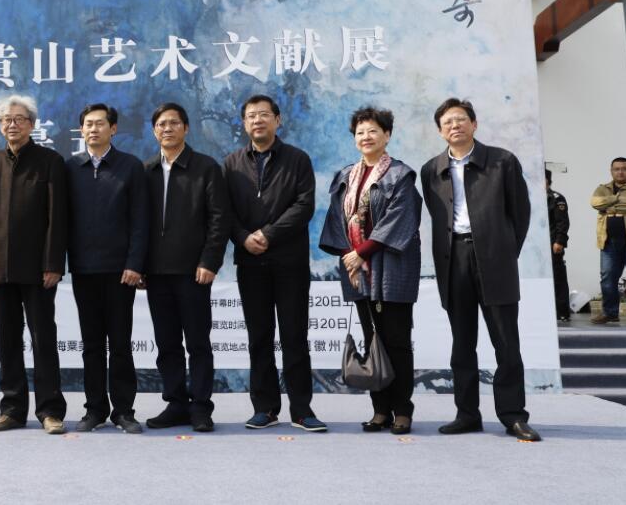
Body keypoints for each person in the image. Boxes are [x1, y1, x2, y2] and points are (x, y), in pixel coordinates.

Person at [419, 98, 540, 441]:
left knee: (506, 342)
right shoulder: (431, 169)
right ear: (440, 131)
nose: (454, 126)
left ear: (474, 124)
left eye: (460, 119)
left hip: (495, 257)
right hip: (453, 259)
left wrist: (504, 251)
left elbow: (520, 212)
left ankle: (513, 415)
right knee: (462, 342)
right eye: (447, 122)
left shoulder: (502, 161)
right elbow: (437, 215)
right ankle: (467, 414)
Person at [318, 107, 422, 435]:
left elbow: (400, 219)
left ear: (387, 135)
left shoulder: (400, 175)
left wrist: (361, 252)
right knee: (371, 339)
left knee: (396, 341)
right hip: (358, 271)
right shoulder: (345, 176)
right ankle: (380, 410)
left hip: (391, 269)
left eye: (373, 131)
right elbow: (337, 221)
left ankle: (402, 410)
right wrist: (350, 257)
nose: (366, 137)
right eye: (360, 132)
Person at [223, 95, 324, 433]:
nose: (258, 120)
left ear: (277, 120)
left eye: (264, 114)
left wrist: (268, 234)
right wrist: (242, 237)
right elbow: (224, 211)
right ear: (244, 123)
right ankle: (264, 408)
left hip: (289, 262)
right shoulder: (232, 163)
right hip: (250, 262)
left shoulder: (297, 159)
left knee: (295, 336)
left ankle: (302, 410)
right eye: (251, 115)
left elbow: (304, 205)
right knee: (259, 337)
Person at [0, 94, 69, 434]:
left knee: (43, 338)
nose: (12, 125)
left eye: (19, 119)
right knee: (7, 339)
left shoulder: (50, 161)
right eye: (6, 120)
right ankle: (13, 410)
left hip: (38, 270)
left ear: (32, 124)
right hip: (0, 268)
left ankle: (50, 410)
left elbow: (57, 217)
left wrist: (53, 263)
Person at [143, 102, 228, 433]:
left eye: (174, 123)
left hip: (194, 272)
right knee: (167, 344)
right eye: (161, 124)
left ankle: (201, 407)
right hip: (156, 273)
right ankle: (176, 404)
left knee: (198, 343)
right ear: (154, 131)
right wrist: (139, 266)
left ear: (186, 128)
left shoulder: (205, 168)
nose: (167, 129)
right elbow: (138, 222)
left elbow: (219, 219)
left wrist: (209, 261)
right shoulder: (147, 170)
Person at [65, 103, 148, 434]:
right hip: (84, 270)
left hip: (120, 272)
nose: (93, 129)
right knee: (92, 345)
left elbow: (140, 220)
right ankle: (95, 409)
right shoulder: (71, 167)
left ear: (113, 129)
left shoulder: (130, 167)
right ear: (81, 130)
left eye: (100, 124)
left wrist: (135, 263)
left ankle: (124, 410)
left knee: (121, 344)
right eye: (88, 124)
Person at [590, 157, 626, 325]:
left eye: (624, 168)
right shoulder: (602, 188)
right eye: (617, 169)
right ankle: (610, 313)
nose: (620, 172)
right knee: (607, 278)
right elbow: (595, 202)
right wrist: (614, 199)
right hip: (608, 242)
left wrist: (608, 205)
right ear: (611, 171)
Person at [546, 170, 571, 322]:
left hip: (552, 243)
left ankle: (562, 312)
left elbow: (562, 222)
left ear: (548, 181)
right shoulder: (529, 196)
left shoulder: (556, 198)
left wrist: (560, 241)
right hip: (535, 248)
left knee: (558, 278)